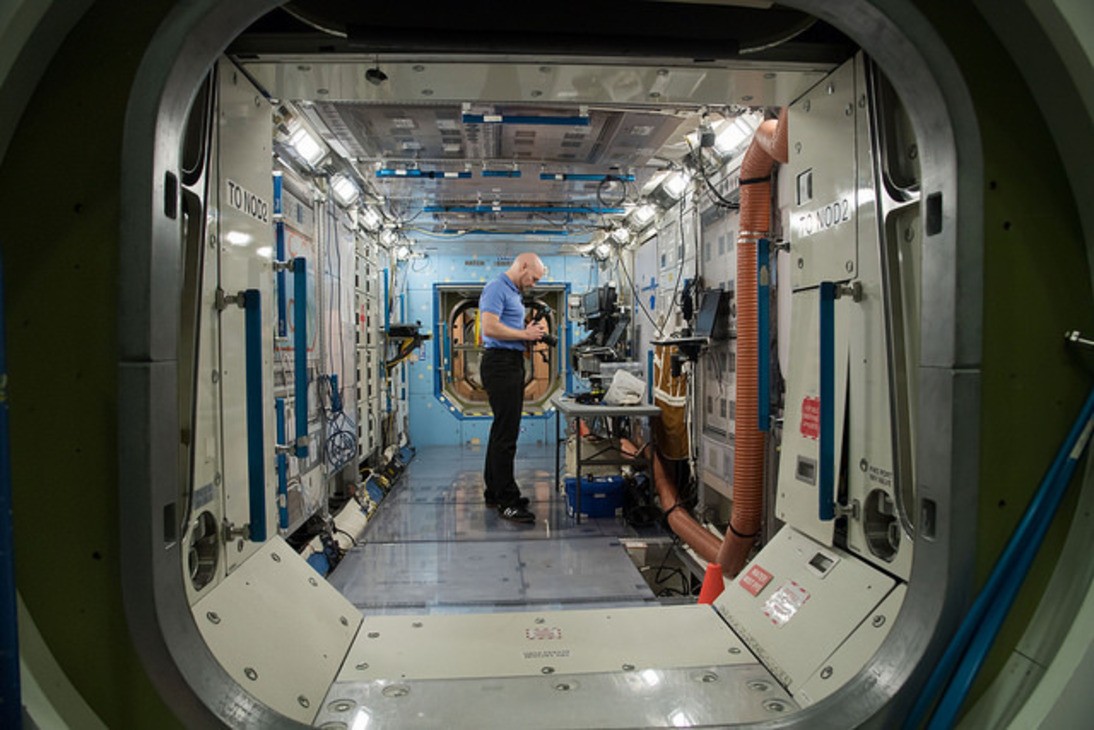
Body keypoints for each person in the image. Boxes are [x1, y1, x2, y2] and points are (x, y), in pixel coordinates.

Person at [478, 252, 548, 524]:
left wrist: (527, 331)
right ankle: (507, 502)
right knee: (506, 435)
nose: (534, 284)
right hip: (500, 364)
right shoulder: (496, 287)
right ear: (523, 265)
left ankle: (494, 491)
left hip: (510, 362)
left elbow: (506, 327)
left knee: (501, 430)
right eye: (534, 278)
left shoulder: (513, 293)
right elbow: (489, 328)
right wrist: (524, 334)